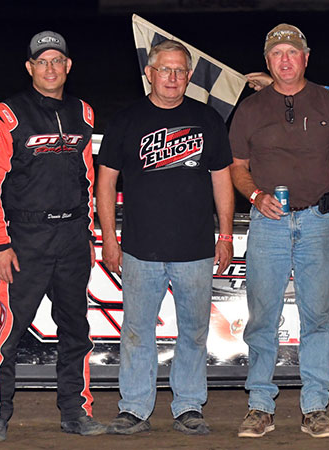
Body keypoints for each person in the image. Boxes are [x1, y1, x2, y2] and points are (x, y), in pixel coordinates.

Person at [96, 39, 234, 436]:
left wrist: (225, 235)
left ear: (188, 76)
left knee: (194, 332)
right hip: (140, 249)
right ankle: (134, 408)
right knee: (137, 332)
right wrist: (109, 238)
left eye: (179, 71)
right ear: (149, 74)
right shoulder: (126, 120)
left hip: (195, 249)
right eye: (164, 70)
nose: (172, 78)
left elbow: (222, 180)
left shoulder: (207, 119)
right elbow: (105, 183)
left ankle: (188, 405)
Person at [0, 30, 105, 441]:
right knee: (8, 330)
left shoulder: (84, 113)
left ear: (68, 66)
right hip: (26, 238)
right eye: (42, 62)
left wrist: (87, 233)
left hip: (72, 237)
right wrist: (0, 244)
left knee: (76, 331)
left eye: (57, 61)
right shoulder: (6, 115)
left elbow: (87, 179)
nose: (50, 68)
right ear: (30, 67)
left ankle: (76, 412)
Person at [229, 24, 329, 439]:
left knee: (318, 317)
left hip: (317, 221)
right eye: (277, 53)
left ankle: (315, 406)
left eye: (292, 52)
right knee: (262, 317)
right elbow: (237, 167)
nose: (285, 60)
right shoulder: (250, 109)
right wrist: (255, 195)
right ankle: (259, 405)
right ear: (267, 61)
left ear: (306, 57)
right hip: (267, 224)